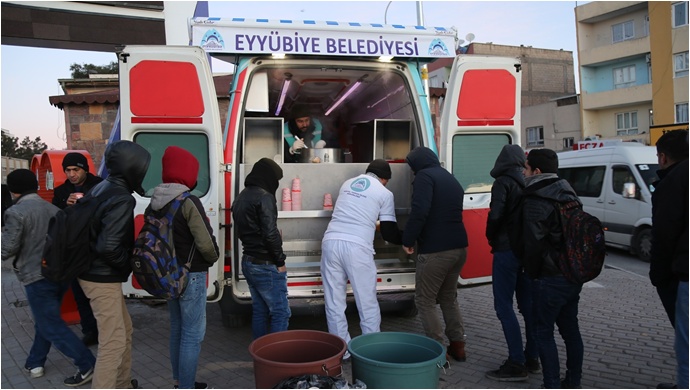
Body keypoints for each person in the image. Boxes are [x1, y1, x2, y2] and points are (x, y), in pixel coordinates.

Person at [1, 169, 96, 387]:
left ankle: (87, 364)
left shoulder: (15, 212)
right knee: (45, 320)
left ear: (13, 190)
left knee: (50, 324)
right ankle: (35, 361)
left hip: (36, 276)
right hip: (59, 274)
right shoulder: (54, 209)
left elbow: (7, 250)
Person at [78, 140, 150, 389]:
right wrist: (126, 266)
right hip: (100, 277)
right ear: (131, 167)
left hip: (92, 273)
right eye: (142, 168)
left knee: (125, 330)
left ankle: (122, 384)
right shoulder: (121, 197)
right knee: (113, 341)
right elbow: (107, 247)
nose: (143, 173)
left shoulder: (101, 188)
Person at [149, 146, 219, 390]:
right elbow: (205, 242)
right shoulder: (188, 201)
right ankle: (187, 386)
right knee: (192, 335)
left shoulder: (155, 201)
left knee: (177, 329)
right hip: (191, 274)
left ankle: (181, 381)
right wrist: (212, 259)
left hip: (168, 274)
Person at [321, 159, 403, 356]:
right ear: (385, 179)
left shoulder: (347, 184)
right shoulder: (385, 193)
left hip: (330, 241)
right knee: (366, 301)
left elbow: (355, 212)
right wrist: (407, 240)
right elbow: (389, 232)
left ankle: (342, 351)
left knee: (334, 301)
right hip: (357, 247)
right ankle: (371, 349)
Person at [520, 148, 583, 389]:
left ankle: (552, 384)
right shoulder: (569, 192)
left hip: (550, 276)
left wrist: (532, 273)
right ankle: (574, 381)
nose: (523, 173)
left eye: (526, 168)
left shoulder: (537, 197)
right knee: (570, 331)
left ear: (536, 171)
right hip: (573, 272)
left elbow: (533, 243)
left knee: (542, 333)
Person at [401, 146, 469, 362]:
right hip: (459, 248)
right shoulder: (449, 177)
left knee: (424, 300)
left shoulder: (424, 177)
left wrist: (408, 240)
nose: (413, 172)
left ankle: (438, 351)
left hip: (436, 250)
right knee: (449, 297)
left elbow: (420, 210)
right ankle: (458, 346)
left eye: (412, 167)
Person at [485, 144, 540, 381]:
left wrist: (491, 236)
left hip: (506, 250)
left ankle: (516, 362)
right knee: (528, 307)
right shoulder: (528, 181)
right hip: (526, 252)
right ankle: (532, 357)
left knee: (503, 306)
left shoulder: (502, 183)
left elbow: (496, 215)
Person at [231, 158, 290, 339]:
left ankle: (260, 355)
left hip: (248, 260)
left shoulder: (241, 196)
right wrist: (280, 261)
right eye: (276, 180)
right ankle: (277, 358)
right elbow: (270, 234)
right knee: (281, 312)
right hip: (266, 263)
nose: (276, 184)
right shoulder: (265, 197)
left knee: (260, 310)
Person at [649, 130, 688, 389]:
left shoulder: (674, 182)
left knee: (686, 344)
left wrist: (659, 276)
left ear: (663, 157)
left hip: (685, 273)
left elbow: (664, 234)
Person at [52, 152, 103, 347]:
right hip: (73, 250)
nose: (72, 174)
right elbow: (56, 219)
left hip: (95, 248)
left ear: (84, 169)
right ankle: (90, 331)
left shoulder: (99, 185)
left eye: (76, 170)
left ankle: (103, 329)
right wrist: (66, 206)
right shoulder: (61, 192)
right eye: (68, 170)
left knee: (99, 295)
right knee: (79, 295)